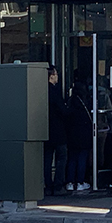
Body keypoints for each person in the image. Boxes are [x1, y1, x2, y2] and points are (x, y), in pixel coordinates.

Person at [64, 88, 93, 192]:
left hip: (72, 137)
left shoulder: (70, 105)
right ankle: (80, 182)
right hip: (84, 137)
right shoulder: (84, 106)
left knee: (72, 159)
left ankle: (70, 182)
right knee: (82, 159)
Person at [45, 66, 68, 194]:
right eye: (56, 74)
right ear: (52, 75)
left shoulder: (41, 90)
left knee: (47, 159)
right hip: (58, 130)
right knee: (62, 157)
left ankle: (47, 185)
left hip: (45, 129)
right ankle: (58, 185)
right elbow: (63, 111)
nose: (58, 76)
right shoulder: (55, 91)